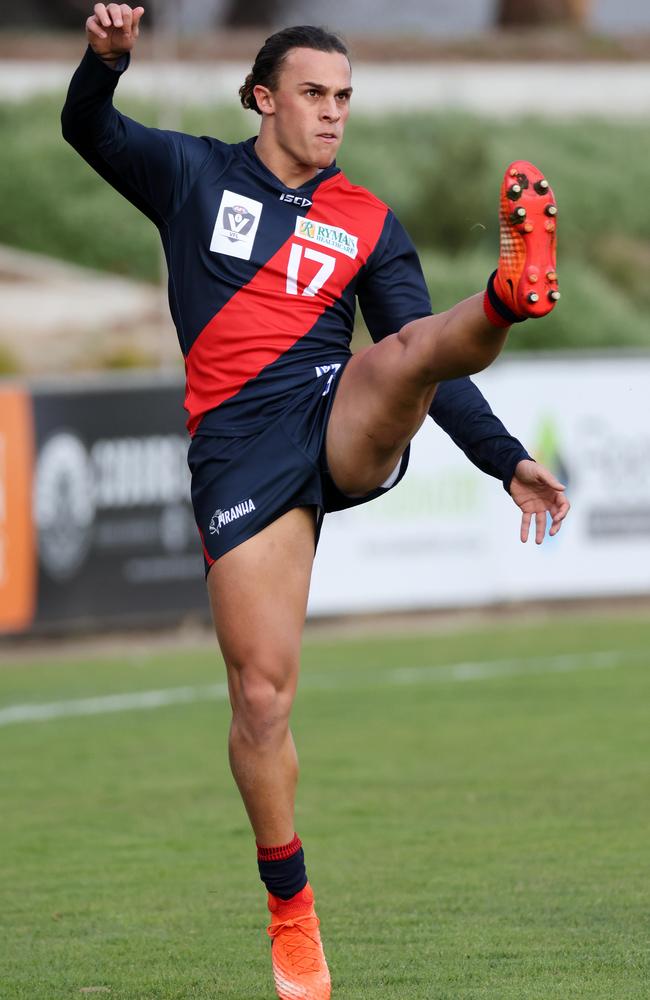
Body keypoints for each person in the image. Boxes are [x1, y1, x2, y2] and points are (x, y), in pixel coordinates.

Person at [62, 7, 570, 999]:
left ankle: (509, 294)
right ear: (262, 97)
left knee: (405, 351)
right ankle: (289, 905)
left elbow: (426, 367)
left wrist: (504, 460)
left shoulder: (368, 219)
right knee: (260, 699)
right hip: (237, 450)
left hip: (333, 407)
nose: (332, 114)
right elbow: (88, 129)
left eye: (343, 97)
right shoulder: (189, 175)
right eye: (312, 93)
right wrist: (107, 57)